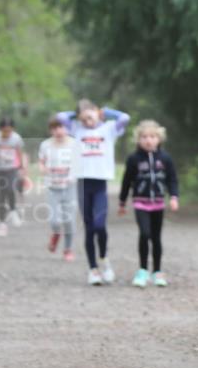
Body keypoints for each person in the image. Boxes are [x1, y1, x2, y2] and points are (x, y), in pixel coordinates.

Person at [58, 99, 130, 286]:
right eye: (83, 119)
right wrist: (77, 114)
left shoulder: (109, 129)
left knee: (100, 225)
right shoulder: (76, 129)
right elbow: (61, 117)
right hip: (83, 183)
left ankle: (104, 259)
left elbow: (125, 118)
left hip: (100, 184)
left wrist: (105, 112)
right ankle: (93, 269)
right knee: (89, 228)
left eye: (90, 117)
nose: (87, 122)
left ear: (97, 112)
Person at [117, 120, 179, 288]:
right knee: (145, 234)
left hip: (158, 203)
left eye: (152, 136)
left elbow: (172, 179)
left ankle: (157, 271)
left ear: (159, 138)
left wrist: (174, 196)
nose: (148, 140)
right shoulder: (134, 159)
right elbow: (126, 181)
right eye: (144, 137)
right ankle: (143, 270)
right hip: (141, 203)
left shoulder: (165, 158)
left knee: (156, 237)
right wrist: (122, 202)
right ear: (138, 139)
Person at [38, 117, 81, 261]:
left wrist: (72, 176)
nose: (58, 131)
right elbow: (41, 162)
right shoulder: (45, 145)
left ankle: (68, 249)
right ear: (51, 130)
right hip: (53, 187)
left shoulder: (74, 144)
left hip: (69, 187)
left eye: (61, 127)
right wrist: (43, 169)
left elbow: (79, 164)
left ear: (67, 128)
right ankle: (56, 233)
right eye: (55, 128)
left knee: (69, 220)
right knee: (54, 221)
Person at [0, 117, 27, 237]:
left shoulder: (16, 138)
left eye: (9, 131)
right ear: (0, 129)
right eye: (5, 131)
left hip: (12, 168)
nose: (7, 133)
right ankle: (2, 222)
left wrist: (22, 167)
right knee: (0, 195)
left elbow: (20, 153)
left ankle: (13, 211)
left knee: (10, 189)